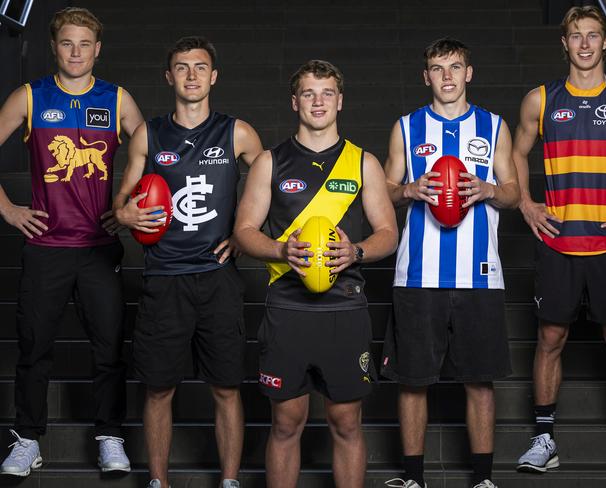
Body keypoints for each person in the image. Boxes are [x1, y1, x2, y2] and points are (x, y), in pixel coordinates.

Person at [233, 59, 398, 488]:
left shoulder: (364, 163)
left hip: (344, 308)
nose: (318, 101)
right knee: (287, 421)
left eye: (326, 93)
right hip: (287, 307)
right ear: (295, 102)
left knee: (346, 421)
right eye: (309, 93)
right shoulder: (270, 161)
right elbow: (244, 231)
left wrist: (357, 251)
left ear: (340, 101)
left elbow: (388, 234)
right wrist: (281, 249)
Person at [113, 36, 263, 488]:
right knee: (158, 388)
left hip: (218, 279)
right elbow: (120, 204)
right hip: (164, 279)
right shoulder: (149, 134)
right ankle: (159, 481)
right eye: (182, 67)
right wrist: (126, 213)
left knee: (227, 388)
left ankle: (230, 480)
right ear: (169, 76)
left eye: (200, 67)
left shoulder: (238, 132)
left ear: (213, 76)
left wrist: (243, 235)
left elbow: (269, 191)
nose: (192, 75)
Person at [0, 7, 143, 476]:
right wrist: (8, 209)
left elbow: (149, 159)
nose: (76, 52)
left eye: (85, 44)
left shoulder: (118, 99)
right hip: (46, 247)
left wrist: (126, 207)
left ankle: (109, 435)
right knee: (34, 346)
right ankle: (27, 439)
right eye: (67, 43)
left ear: (97, 49)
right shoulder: (30, 97)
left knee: (109, 348)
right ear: (54, 47)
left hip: (99, 249)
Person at [513, 5, 606, 477]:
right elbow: (515, 151)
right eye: (577, 36)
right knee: (550, 337)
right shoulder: (541, 100)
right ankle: (544, 438)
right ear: (565, 43)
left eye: (594, 35)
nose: (586, 44)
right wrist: (527, 204)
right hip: (559, 242)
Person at [381, 38, 520, 488]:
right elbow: (380, 188)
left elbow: (515, 192)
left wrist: (489, 189)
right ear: (426, 76)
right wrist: (408, 190)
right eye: (438, 68)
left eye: (455, 67)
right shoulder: (405, 127)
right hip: (417, 274)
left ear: (468, 73)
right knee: (413, 380)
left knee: (479, 381)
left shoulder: (494, 126)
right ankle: (413, 478)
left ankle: (482, 478)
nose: (446, 76)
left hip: (479, 274)